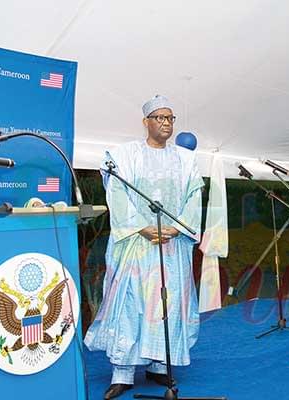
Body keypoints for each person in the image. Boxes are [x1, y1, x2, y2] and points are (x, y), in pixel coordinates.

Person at [84, 95, 204, 399]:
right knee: (130, 306)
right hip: (136, 246)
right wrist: (142, 226)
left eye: (170, 118)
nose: (166, 123)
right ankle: (123, 373)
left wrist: (177, 227)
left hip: (172, 246)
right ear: (146, 122)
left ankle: (159, 366)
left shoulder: (186, 159)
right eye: (160, 118)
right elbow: (118, 192)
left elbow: (194, 195)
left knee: (165, 305)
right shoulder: (125, 156)